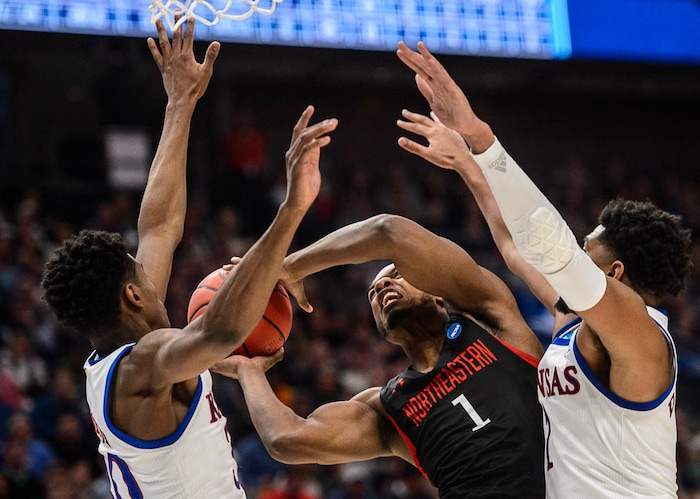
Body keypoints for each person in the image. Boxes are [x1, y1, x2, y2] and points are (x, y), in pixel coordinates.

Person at [39, 17, 338, 498]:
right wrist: (291, 210)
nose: (147, 265)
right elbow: (221, 331)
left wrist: (180, 104)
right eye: (139, 268)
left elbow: (159, 226)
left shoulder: (127, 350)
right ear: (133, 294)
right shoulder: (141, 367)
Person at [394, 41, 693, 498]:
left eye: (586, 247)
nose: (576, 250)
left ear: (613, 274)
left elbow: (553, 250)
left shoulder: (644, 338)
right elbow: (517, 247)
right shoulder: (573, 319)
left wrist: (481, 137)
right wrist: (468, 165)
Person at [212, 212, 546, 498]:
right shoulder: (388, 408)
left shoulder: (490, 320)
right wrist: (249, 371)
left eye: (396, 276)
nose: (382, 288)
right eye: (373, 292)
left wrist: (289, 267)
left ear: (439, 296)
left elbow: (389, 231)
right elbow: (286, 439)